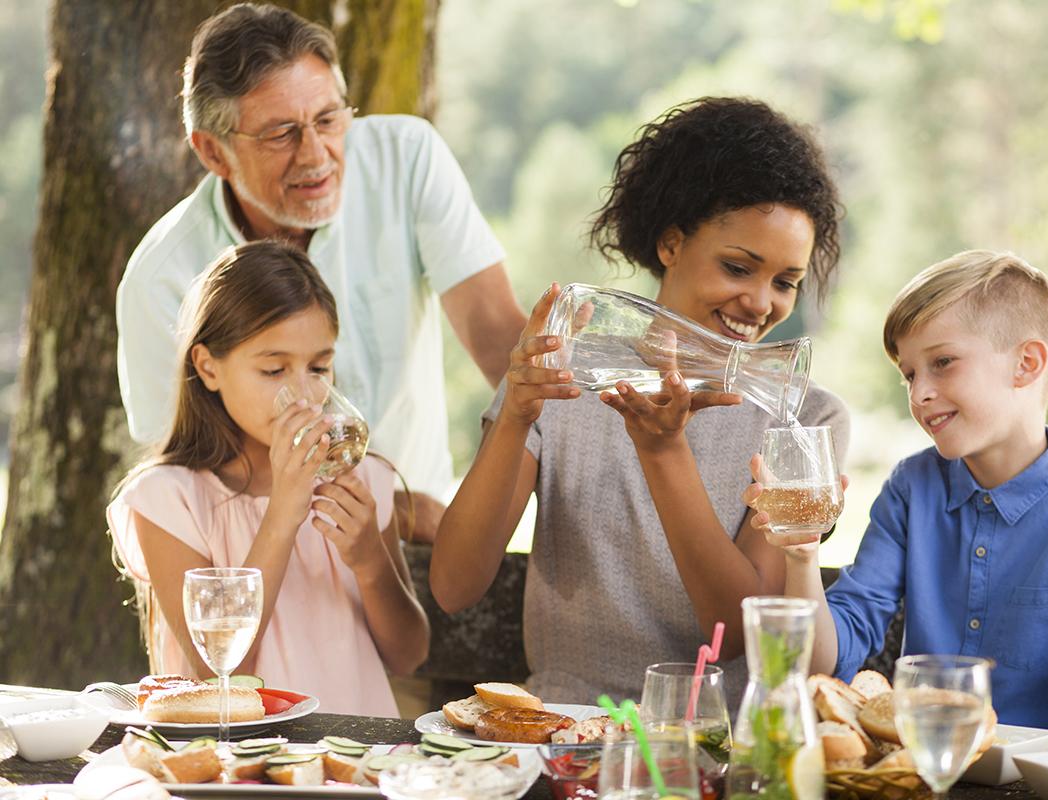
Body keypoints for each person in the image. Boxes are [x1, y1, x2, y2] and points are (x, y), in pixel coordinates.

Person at [430, 97, 850, 703]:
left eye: (785, 282)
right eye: (738, 267)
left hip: (717, 751)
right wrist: (516, 416)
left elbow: (733, 632)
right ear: (671, 244)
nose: (762, 303)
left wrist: (664, 452)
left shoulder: (808, 419)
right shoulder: (559, 378)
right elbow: (453, 585)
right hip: (565, 736)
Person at [115, 3, 527, 542]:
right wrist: (395, 508)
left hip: (418, 550)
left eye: (328, 120)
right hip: (274, 560)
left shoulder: (409, 158)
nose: (317, 156)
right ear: (213, 152)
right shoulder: (160, 280)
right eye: (281, 134)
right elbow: (185, 477)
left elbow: (497, 335)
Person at [747, 250, 1048, 746]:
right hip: (924, 779)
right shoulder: (911, 489)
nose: (919, 393)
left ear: (1026, 364)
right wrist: (802, 556)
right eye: (909, 374)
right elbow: (826, 662)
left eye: (942, 363)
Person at [107, 240, 430, 717]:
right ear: (208, 366)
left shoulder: (362, 481)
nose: (304, 393)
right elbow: (218, 674)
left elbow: (409, 655)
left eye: (319, 367)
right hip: (237, 766)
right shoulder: (169, 502)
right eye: (274, 369)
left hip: (354, 760)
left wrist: (369, 560)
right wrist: (282, 512)